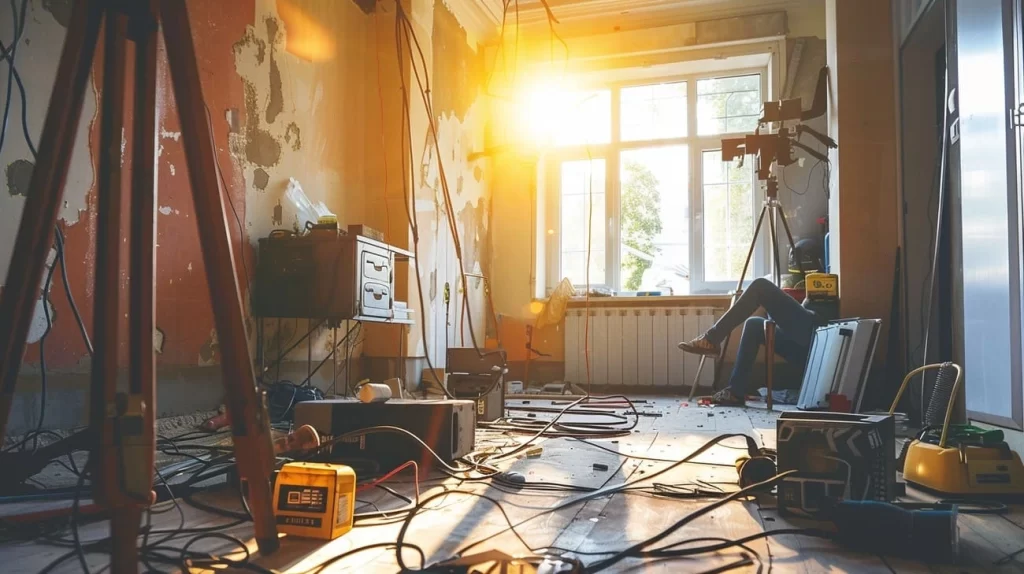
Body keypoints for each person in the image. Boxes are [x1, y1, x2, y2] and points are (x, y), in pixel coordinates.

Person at [677, 277, 837, 405]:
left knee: (761, 285)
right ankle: (735, 392)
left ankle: (712, 338)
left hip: (817, 335)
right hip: (804, 344)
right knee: (754, 324)